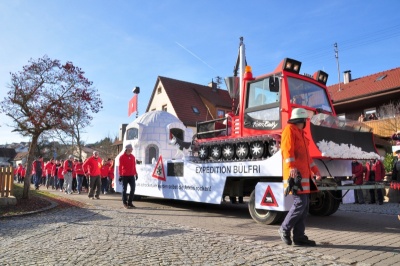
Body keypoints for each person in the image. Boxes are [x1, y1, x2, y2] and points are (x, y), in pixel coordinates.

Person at [278, 108, 321, 246]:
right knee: (300, 203)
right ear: (301, 120)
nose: (306, 123)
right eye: (305, 121)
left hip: (303, 175)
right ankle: (284, 228)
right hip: (295, 175)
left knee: (304, 206)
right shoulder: (289, 130)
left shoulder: (301, 134)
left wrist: (315, 169)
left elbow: (307, 157)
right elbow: (287, 150)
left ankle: (299, 237)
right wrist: (291, 168)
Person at [119, 144, 138, 209]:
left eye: (132, 149)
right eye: (130, 148)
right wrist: (120, 175)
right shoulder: (122, 157)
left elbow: (134, 166)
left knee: (133, 189)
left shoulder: (133, 157)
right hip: (124, 175)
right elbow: (120, 167)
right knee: (124, 189)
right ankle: (125, 203)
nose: (132, 150)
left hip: (131, 175)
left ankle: (130, 202)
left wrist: (136, 173)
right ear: (127, 149)